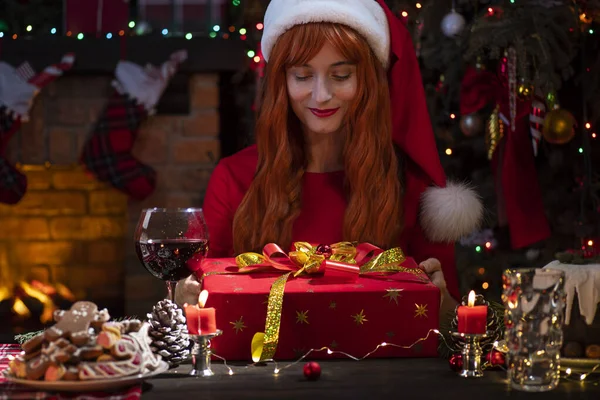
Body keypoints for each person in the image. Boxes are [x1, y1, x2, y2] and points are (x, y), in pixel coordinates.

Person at [176, 0, 483, 323]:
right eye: (302, 75)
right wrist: (185, 298)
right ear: (282, 82)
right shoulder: (233, 179)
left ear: (367, 82)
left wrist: (444, 305)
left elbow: (451, 323)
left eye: (340, 75)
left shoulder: (411, 184)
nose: (321, 95)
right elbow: (202, 309)